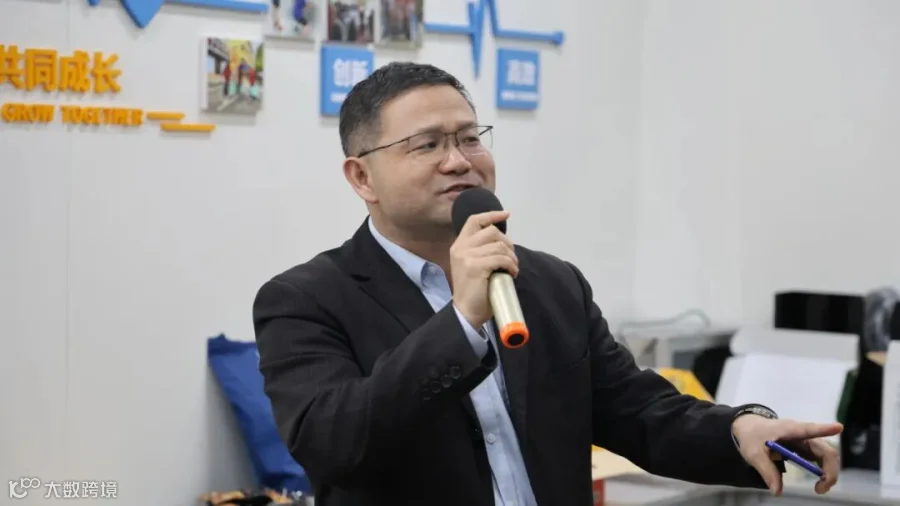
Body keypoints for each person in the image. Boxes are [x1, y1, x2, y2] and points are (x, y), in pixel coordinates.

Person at [253, 62, 842, 506]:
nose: (459, 160)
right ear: (362, 177)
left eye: (469, 138)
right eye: (427, 145)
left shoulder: (550, 282)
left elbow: (637, 411)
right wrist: (461, 321)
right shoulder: (304, 300)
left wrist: (740, 429)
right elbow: (335, 444)